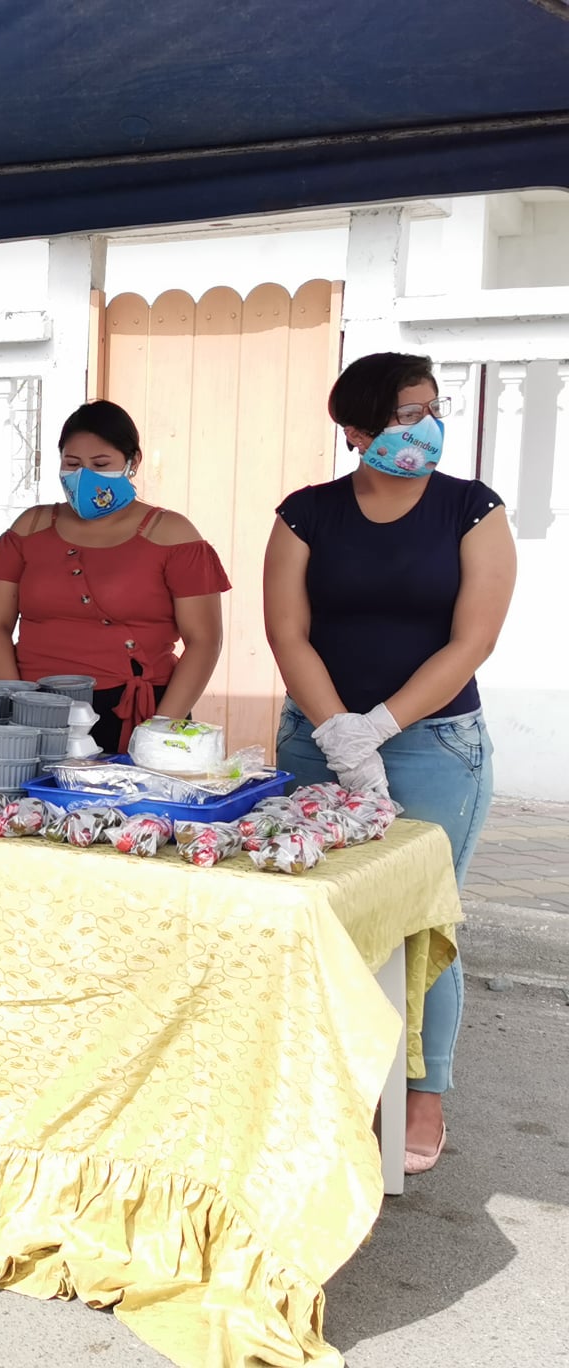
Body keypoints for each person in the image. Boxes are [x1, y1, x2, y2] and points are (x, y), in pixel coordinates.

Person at [264, 351, 515, 1176]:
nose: (427, 427)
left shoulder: (471, 509)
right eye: (408, 414)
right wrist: (339, 733)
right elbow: (287, 633)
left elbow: (473, 639)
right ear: (357, 429)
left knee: (421, 922)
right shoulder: (305, 514)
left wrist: (381, 726)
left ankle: (422, 1093)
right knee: (320, 917)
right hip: (317, 739)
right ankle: (327, 1085)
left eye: (432, 409)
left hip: (436, 745)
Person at [0, 401, 230, 754]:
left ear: (133, 462)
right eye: (72, 464)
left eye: (100, 464)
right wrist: (17, 702)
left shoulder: (173, 534)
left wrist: (161, 729)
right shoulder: (29, 528)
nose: (84, 476)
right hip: (37, 709)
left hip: (138, 713)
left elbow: (204, 640)